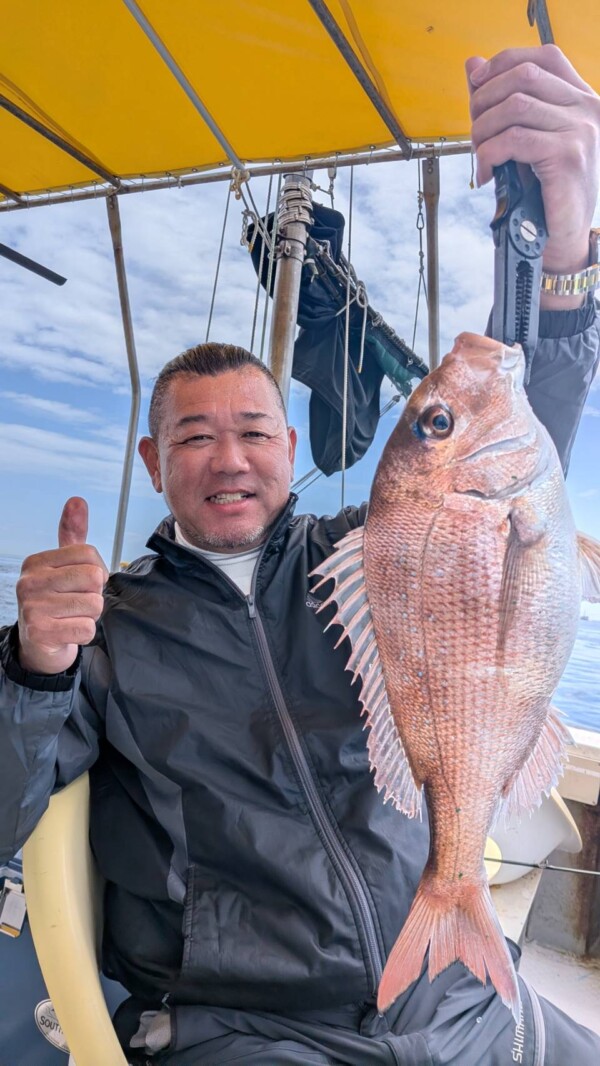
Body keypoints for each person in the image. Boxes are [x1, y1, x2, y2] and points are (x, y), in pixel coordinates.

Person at [1, 46, 600, 1065]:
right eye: (194, 436)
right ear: (152, 461)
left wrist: (566, 243)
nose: (228, 459)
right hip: (246, 1023)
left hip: (445, 992)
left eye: (255, 432)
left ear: (291, 449)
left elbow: (517, 449)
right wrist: (33, 666)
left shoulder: (374, 554)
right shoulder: (111, 628)